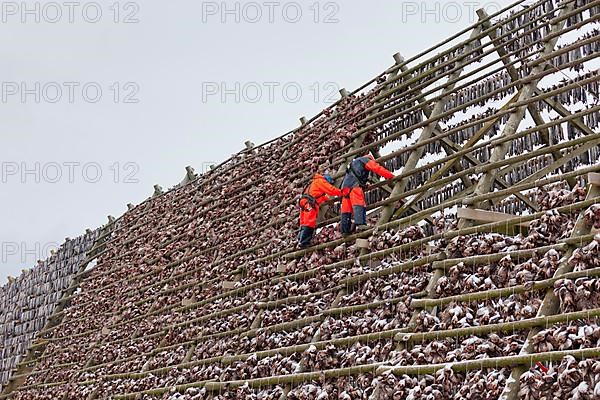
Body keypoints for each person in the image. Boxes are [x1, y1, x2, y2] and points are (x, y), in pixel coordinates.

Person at [340, 153, 394, 235]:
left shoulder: (353, 163)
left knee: (346, 210)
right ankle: (360, 224)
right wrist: (390, 176)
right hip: (354, 187)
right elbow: (377, 168)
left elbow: (355, 176)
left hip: (345, 188)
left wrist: (364, 185)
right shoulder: (365, 160)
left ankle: (345, 231)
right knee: (359, 204)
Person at [298, 173, 345, 248]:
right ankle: (304, 242)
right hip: (310, 203)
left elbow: (320, 195)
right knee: (310, 222)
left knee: (304, 222)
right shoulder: (321, 181)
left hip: (304, 202)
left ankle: (300, 239)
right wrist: (342, 192)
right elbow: (331, 190)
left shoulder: (314, 182)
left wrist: (328, 201)